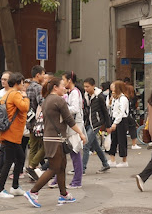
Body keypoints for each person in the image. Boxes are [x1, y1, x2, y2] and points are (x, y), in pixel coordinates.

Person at [23, 77, 87, 208]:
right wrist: (80, 133)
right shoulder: (58, 100)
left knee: (61, 166)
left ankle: (63, 195)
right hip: (55, 139)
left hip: (51, 138)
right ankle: (33, 192)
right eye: (62, 86)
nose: (65, 88)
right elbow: (69, 120)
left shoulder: (47, 100)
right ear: (55, 88)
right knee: (54, 168)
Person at [0, 72, 30, 199]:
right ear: (17, 83)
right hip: (11, 133)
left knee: (20, 158)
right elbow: (24, 107)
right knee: (9, 161)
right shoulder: (16, 94)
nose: (23, 85)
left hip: (7, 132)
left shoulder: (6, 94)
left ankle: (15, 186)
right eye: (22, 83)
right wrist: (25, 97)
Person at [82, 77, 111, 174]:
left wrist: (108, 125)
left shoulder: (100, 97)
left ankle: (82, 168)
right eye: (85, 86)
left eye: (88, 86)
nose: (86, 88)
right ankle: (105, 164)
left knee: (86, 145)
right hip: (88, 123)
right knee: (96, 146)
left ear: (93, 86)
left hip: (96, 123)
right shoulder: (86, 96)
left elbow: (105, 112)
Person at [62, 71, 84, 188]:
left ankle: (77, 181)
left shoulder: (75, 93)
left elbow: (74, 108)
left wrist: (63, 107)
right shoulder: (71, 93)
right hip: (72, 125)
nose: (63, 82)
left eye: (64, 80)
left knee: (75, 152)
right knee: (72, 153)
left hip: (75, 126)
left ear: (69, 80)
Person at [25, 65, 45, 181]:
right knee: (46, 146)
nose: (44, 76)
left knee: (33, 147)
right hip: (39, 123)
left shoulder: (28, 87)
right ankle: (32, 167)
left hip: (30, 121)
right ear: (38, 75)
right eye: (43, 74)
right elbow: (42, 102)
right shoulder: (38, 87)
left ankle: (31, 169)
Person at [106, 80, 130, 167]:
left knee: (122, 140)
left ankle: (124, 160)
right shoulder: (115, 98)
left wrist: (115, 123)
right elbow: (109, 108)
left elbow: (121, 112)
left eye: (114, 87)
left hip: (121, 121)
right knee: (114, 140)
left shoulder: (123, 99)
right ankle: (112, 159)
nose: (112, 89)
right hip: (114, 119)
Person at [123, 77, 141, 150]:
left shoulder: (123, 97)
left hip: (124, 115)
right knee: (132, 128)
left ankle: (123, 144)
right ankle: (134, 144)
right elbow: (135, 104)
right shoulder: (133, 98)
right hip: (131, 114)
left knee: (123, 129)